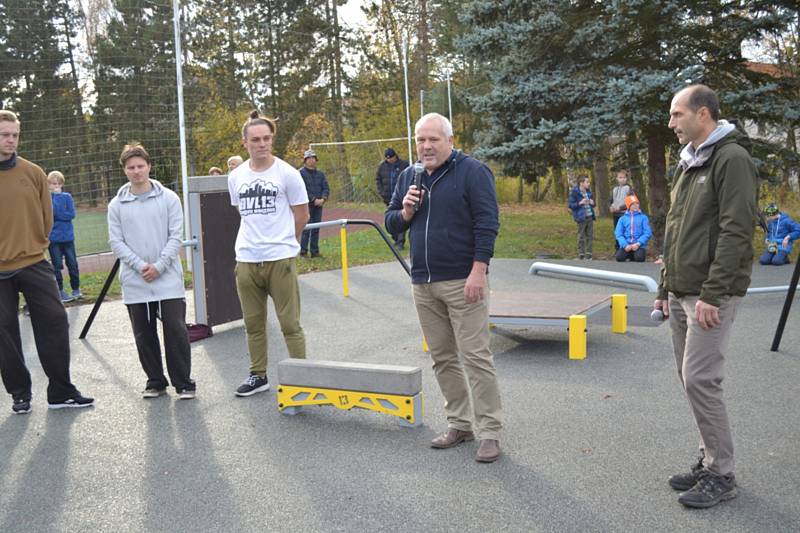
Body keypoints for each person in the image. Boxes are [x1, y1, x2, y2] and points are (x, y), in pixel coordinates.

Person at [654, 85, 758, 509]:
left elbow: (737, 230)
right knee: (689, 379)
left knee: (701, 380)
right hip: (682, 290)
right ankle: (708, 458)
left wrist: (713, 294)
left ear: (703, 114)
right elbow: (676, 229)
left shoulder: (730, 159)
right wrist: (664, 289)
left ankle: (722, 473)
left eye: (677, 114)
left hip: (709, 295)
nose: (671, 123)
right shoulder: (689, 161)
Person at [385, 113, 503, 463]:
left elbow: (487, 223)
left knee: (476, 357)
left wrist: (478, 271)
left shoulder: (472, 172)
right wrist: (405, 212)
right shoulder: (410, 175)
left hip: (462, 280)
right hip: (422, 282)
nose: (426, 146)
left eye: (433, 139)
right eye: (420, 140)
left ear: (450, 140)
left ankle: (490, 431)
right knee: (442, 358)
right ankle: (460, 424)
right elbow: (391, 222)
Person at [0, 110, 94, 414]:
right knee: (5, 333)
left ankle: (60, 391)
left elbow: (46, 216)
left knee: (54, 320)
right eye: (5, 134)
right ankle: (19, 393)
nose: (11, 140)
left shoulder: (34, 172)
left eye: (14, 134)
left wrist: (32, 243)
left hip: (33, 261)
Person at [228, 111, 309, 397]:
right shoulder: (236, 176)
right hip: (247, 260)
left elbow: (302, 214)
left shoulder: (288, 174)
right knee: (253, 324)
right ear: (245, 142)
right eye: (255, 140)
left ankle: (302, 379)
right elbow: (241, 212)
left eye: (266, 139)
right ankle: (257, 375)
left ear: (272, 139)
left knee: (289, 323)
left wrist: (290, 243)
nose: (261, 144)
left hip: (280, 259)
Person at [108, 143, 196, 400]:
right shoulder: (116, 205)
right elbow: (116, 242)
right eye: (131, 167)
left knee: (175, 329)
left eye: (140, 166)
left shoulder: (169, 198)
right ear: (124, 170)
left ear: (149, 166)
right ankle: (156, 381)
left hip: (167, 277)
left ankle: (184, 382)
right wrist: (139, 266)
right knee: (143, 333)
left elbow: (175, 236)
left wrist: (158, 266)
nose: (136, 171)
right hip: (136, 281)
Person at [47, 170, 82, 302]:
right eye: (52, 184)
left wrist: (57, 215)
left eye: (58, 183)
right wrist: (58, 212)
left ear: (62, 184)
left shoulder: (67, 197)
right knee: (56, 266)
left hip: (68, 237)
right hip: (53, 239)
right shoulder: (48, 198)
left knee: (72, 264)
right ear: (49, 185)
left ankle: (76, 289)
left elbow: (71, 214)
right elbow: (49, 214)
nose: (56, 186)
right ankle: (60, 291)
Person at [298, 149, 330, 258]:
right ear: (305, 160)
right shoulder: (300, 174)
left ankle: (315, 251)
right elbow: (301, 190)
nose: (312, 160)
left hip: (319, 206)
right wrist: (313, 200)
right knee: (306, 228)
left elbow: (326, 187)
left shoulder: (320, 174)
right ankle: (303, 252)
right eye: (309, 158)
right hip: (306, 206)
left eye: (313, 158)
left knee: (316, 228)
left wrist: (323, 199)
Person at [376, 147, 409, 249]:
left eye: (391, 158)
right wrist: (382, 192)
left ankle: (400, 241)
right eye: (387, 158)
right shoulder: (381, 167)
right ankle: (395, 238)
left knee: (401, 218)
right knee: (391, 219)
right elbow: (378, 180)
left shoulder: (404, 165)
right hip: (388, 198)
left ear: (395, 156)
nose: (390, 160)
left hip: (401, 197)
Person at [614, 195, 652, 262]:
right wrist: (625, 245)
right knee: (619, 258)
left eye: (637, 204)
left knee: (639, 258)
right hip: (626, 245)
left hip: (638, 246)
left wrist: (638, 243)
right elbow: (618, 233)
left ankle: (635, 255)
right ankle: (629, 254)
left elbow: (647, 233)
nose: (636, 206)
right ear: (628, 206)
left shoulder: (643, 217)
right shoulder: (622, 219)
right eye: (633, 204)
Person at [568, 175, 595, 260]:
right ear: (581, 183)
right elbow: (571, 205)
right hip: (581, 217)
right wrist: (580, 203)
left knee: (589, 235)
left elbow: (594, 204)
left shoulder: (589, 192)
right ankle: (581, 254)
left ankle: (589, 254)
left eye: (589, 182)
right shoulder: (575, 192)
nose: (589, 184)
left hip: (590, 216)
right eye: (587, 182)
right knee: (581, 235)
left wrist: (592, 202)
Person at [609, 170, 633, 250]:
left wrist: (620, 208)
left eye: (624, 178)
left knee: (625, 232)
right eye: (620, 177)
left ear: (626, 179)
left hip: (624, 214)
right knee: (617, 231)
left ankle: (625, 249)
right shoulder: (615, 189)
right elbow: (611, 201)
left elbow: (630, 202)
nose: (622, 179)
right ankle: (618, 248)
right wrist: (611, 207)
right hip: (615, 214)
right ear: (617, 178)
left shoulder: (628, 188)